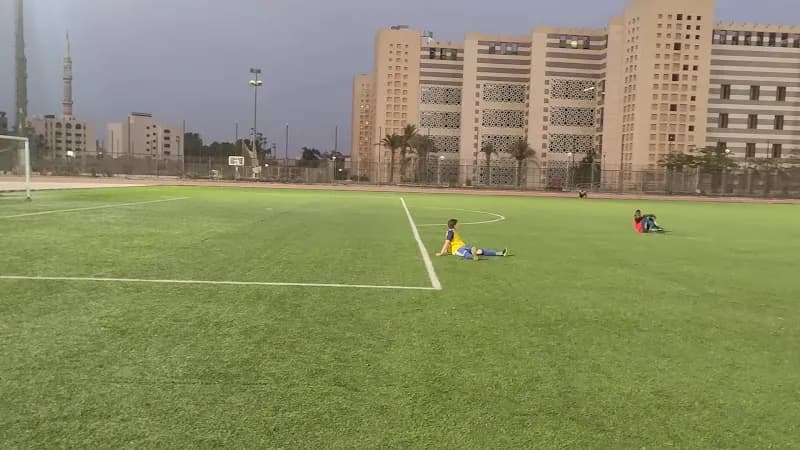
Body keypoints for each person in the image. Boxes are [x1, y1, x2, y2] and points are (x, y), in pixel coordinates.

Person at [435, 218, 507, 261]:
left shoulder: (451, 232)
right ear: (454, 226)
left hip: (460, 248)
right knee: (480, 251)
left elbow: (448, 243)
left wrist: (444, 252)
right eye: (457, 224)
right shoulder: (451, 232)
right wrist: (443, 252)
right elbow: (447, 243)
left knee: (467, 253)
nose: (459, 225)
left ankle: (473, 256)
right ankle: (500, 253)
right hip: (460, 248)